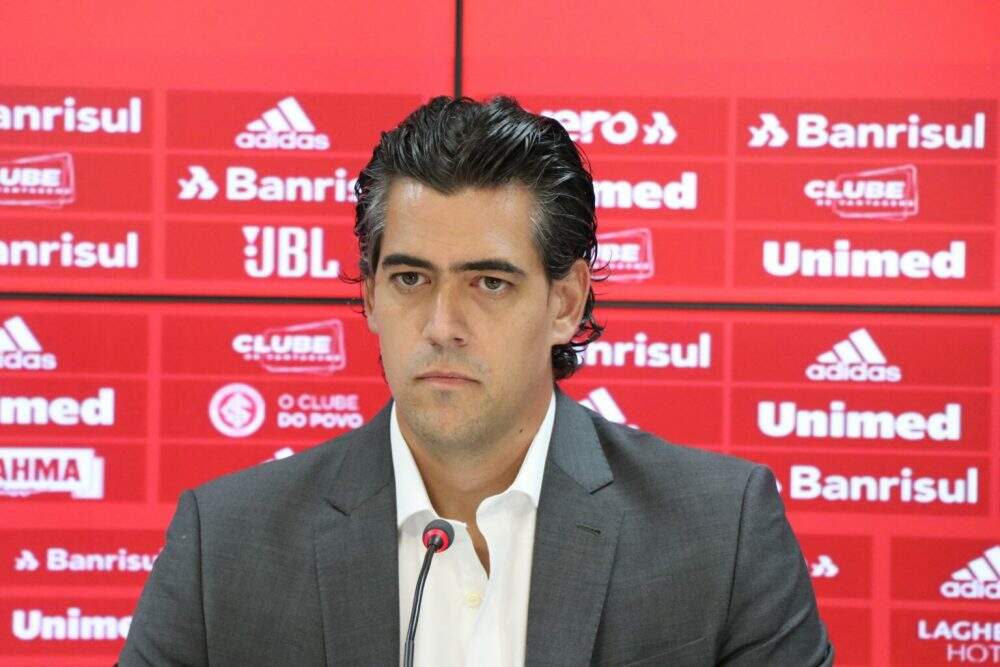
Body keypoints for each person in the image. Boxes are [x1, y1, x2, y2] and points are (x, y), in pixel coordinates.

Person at [119, 96, 833, 666]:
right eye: (410, 279)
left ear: (566, 302)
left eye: (489, 283)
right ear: (369, 296)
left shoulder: (721, 533)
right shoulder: (226, 545)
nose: (442, 325)